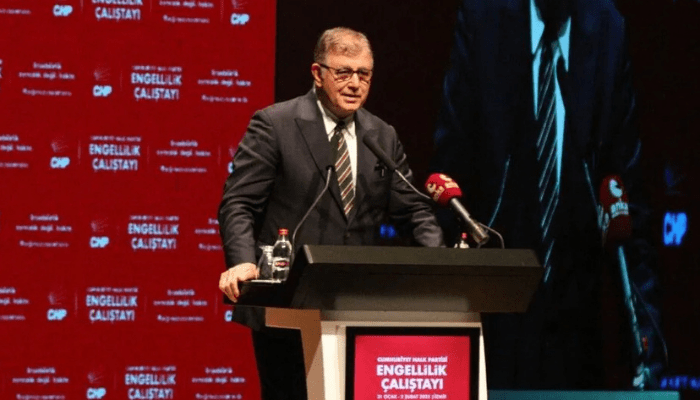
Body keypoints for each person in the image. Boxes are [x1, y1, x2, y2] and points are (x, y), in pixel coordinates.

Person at [430, 0, 660, 390]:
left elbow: (626, 189)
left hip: (580, 315)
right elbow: (451, 164)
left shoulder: (607, 27)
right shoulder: (484, 20)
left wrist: (646, 335)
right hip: (494, 301)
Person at [218, 27, 444, 400]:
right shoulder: (276, 124)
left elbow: (414, 209)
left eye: (364, 74)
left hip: (357, 305)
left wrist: (439, 265)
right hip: (287, 303)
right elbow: (239, 202)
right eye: (343, 72)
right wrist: (243, 262)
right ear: (317, 73)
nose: (355, 83)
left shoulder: (381, 134)